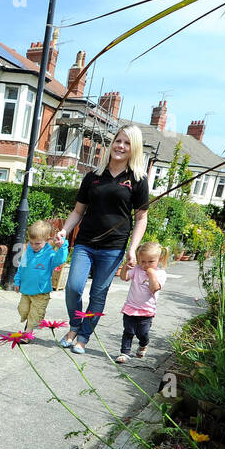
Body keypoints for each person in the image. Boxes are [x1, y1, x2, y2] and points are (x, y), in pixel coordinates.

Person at [53, 126, 150, 355]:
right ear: (112, 143)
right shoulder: (93, 176)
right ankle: (75, 325)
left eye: (127, 143)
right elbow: (78, 212)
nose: (120, 146)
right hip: (85, 243)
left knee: (98, 294)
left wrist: (133, 249)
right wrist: (64, 231)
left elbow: (141, 218)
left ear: (133, 148)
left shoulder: (138, 180)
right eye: (118, 141)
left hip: (113, 247)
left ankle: (83, 336)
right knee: (74, 287)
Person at [115, 241, 167, 363]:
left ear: (160, 259)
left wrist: (151, 274)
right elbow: (124, 278)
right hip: (131, 306)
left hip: (146, 310)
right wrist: (125, 269)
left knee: (142, 333)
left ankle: (144, 344)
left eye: (151, 262)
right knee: (128, 331)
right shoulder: (137, 269)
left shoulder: (160, 274)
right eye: (143, 261)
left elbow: (154, 288)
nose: (146, 265)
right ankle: (124, 353)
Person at [13, 220, 69, 332]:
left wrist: (62, 246)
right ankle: (31, 321)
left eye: (37, 243)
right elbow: (21, 267)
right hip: (26, 290)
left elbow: (60, 259)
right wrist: (17, 281)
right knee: (23, 310)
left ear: (47, 240)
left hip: (41, 291)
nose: (33, 246)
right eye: (31, 242)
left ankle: (28, 332)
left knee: (35, 313)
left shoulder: (50, 254)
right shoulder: (28, 251)